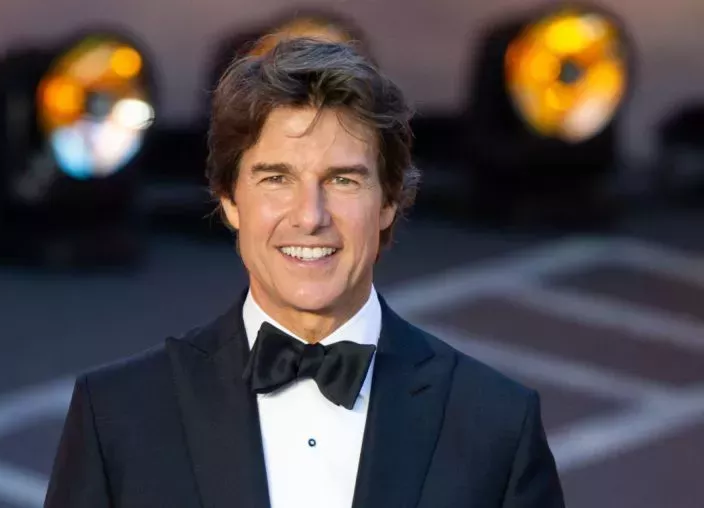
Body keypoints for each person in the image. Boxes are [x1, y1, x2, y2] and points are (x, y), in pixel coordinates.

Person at [44, 37, 565, 508]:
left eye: (342, 180)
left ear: (388, 202)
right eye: (277, 178)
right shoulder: (117, 416)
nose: (310, 216)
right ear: (229, 200)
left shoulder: (496, 424)